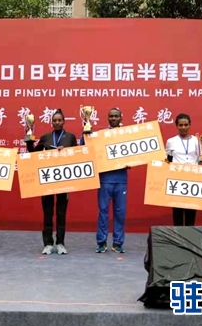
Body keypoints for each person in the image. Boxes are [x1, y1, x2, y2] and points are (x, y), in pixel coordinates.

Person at [26, 109, 78, 255]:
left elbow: (77, 156)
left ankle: (60, 243)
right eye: (54, 120)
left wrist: (65, 152)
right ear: (51, 122)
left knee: (61, 213)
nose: (57, 122)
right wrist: (29, 138)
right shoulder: (46, 137)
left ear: (64, 121)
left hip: (64, 179)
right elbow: (33, 153)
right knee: (47, 213)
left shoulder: (70, 137)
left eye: (59, 120)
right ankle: (48, 243)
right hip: (47, 180)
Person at [80, 108, 128, 253]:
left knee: (120, 212)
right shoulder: (100, 135)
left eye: (116, 116)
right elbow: (84, 145)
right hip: (105, 179)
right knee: (103, 211)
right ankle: (101, 242)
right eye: (111, 116)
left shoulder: (128, 135)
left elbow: (138, 152)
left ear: (121, 118)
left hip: (121, 179)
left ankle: (118, 243)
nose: (113, 118)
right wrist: (86, 132)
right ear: (107, 118)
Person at [165, 113, 200, 226]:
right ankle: (177, 235)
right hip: (177, 179)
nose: (183, 127)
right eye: (180, 125)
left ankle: (189, 234)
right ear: (177, 126)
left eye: (186, 125)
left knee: (191, 210)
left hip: (193, 179)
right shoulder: (171, 141)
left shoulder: (197, 140)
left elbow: (201, 158)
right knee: (177, 211)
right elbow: (168, 160)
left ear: (190, 125)